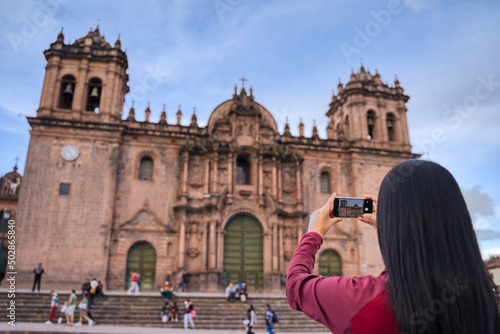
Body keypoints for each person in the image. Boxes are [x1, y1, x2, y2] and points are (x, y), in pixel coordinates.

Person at [286, 160, 500, 334]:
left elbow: (296, 285)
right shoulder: (485, 297)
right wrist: (394, 232)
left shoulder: (362, 299)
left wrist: (313, 233)